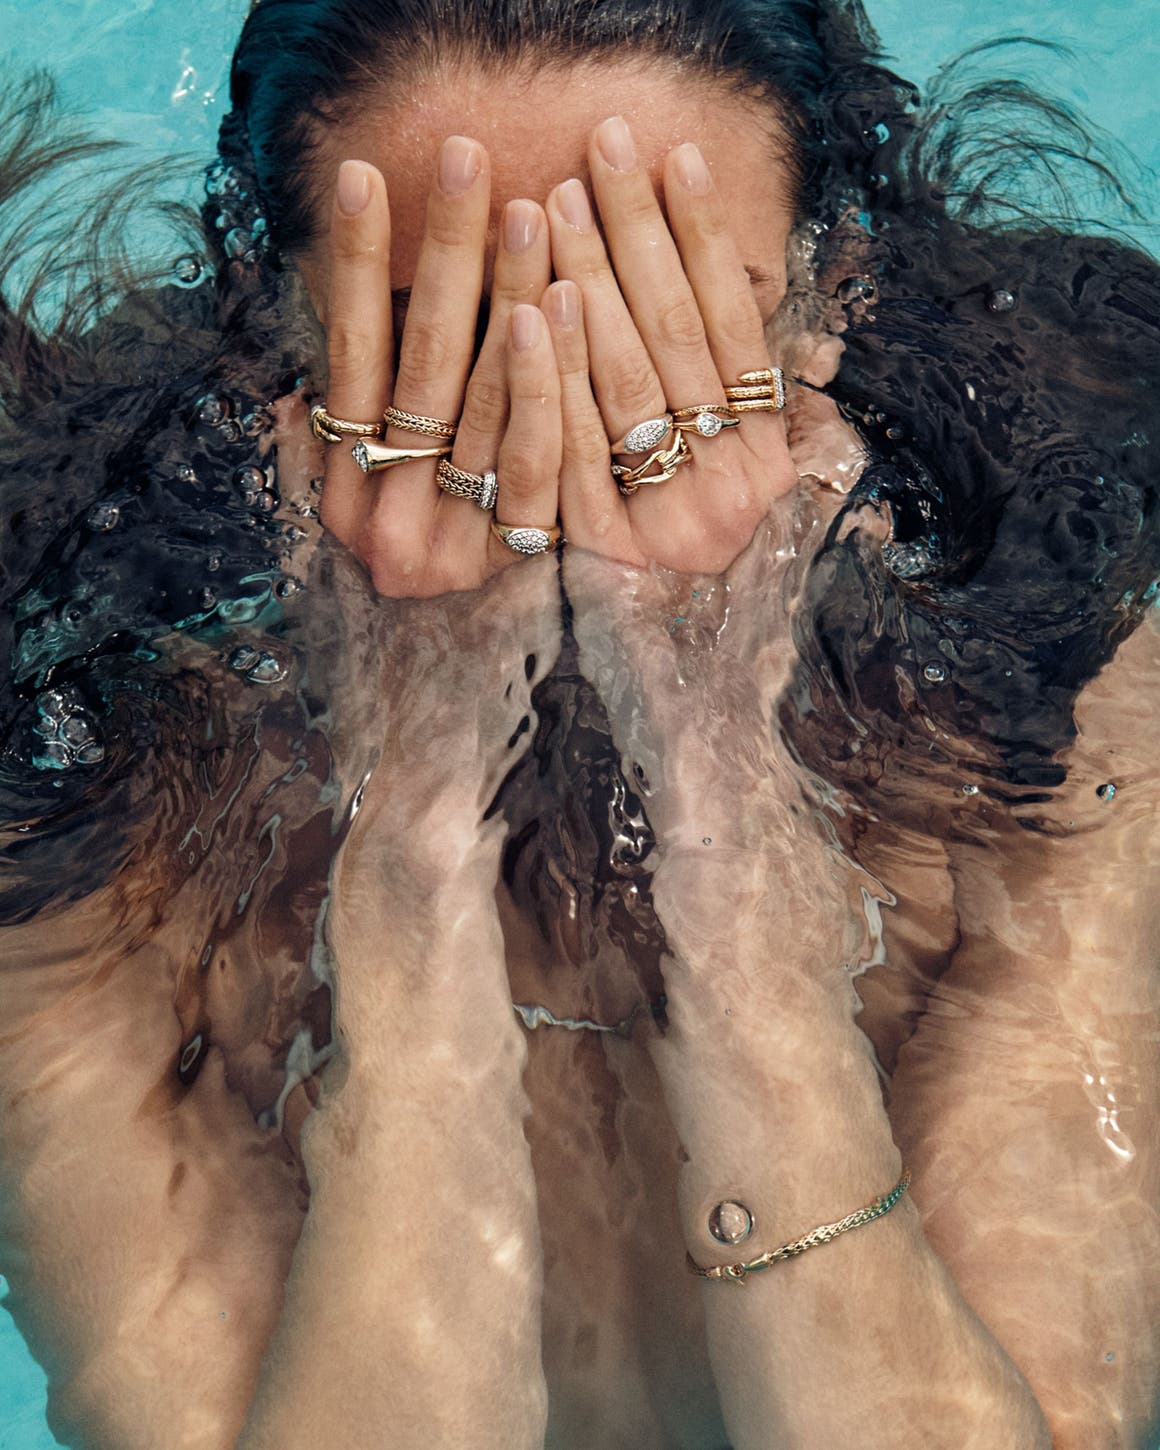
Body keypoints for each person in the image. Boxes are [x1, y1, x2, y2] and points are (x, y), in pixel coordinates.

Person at [0, 1, 1158, 1447]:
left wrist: (727, 812)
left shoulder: (1054, 651)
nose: (551, 451)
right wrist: (412, 827)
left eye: (666, 344)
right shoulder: (74, 740)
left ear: (833, 300)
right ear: (271, 339)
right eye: (445, 353)